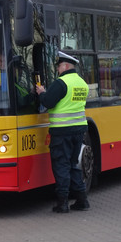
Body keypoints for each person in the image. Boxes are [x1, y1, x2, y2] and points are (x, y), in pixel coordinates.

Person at [36, 51, 89, 213]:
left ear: (65, 66)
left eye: (59, 66)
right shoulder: (82, 83)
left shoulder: (61, 83)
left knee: (61, 166)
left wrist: (41, 93)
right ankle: (82, 200)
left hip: (62, 131)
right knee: (73, 164)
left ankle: (63, 203)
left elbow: (48, 102)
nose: (57, 69)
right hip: (79, 130)